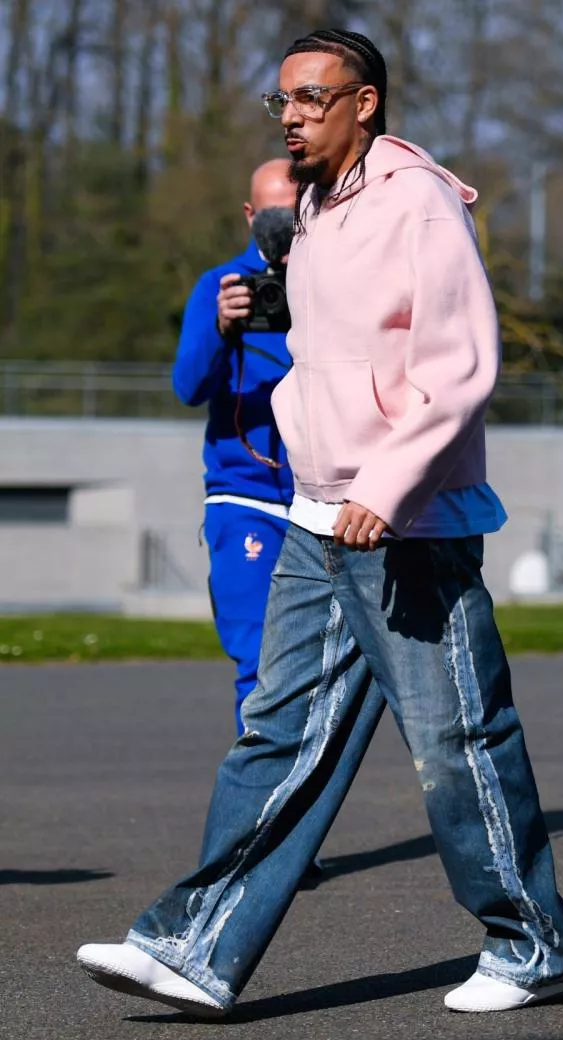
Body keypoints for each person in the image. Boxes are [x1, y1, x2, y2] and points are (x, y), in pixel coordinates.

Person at [77, 28, 563, 1018]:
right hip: (315, 516)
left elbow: (458, 367)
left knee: (456, 740)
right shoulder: (309, 211)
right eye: (282, 102)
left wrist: (384, 488)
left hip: (409, 523)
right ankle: (199, 946)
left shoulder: (416, 205)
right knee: (276, 734)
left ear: (366, 103)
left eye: (312, 98)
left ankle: (534, 944)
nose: (293, 115)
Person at [173, 160, 296, 736]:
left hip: (332, 503)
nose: (283, 226)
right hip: (246, 498)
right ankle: (259, 813)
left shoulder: (340, 287)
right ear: (251, 216)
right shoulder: (221, 288)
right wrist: (225, 329)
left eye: (294, 213)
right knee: (258, 665)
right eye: (273, 215)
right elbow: (188, 387)